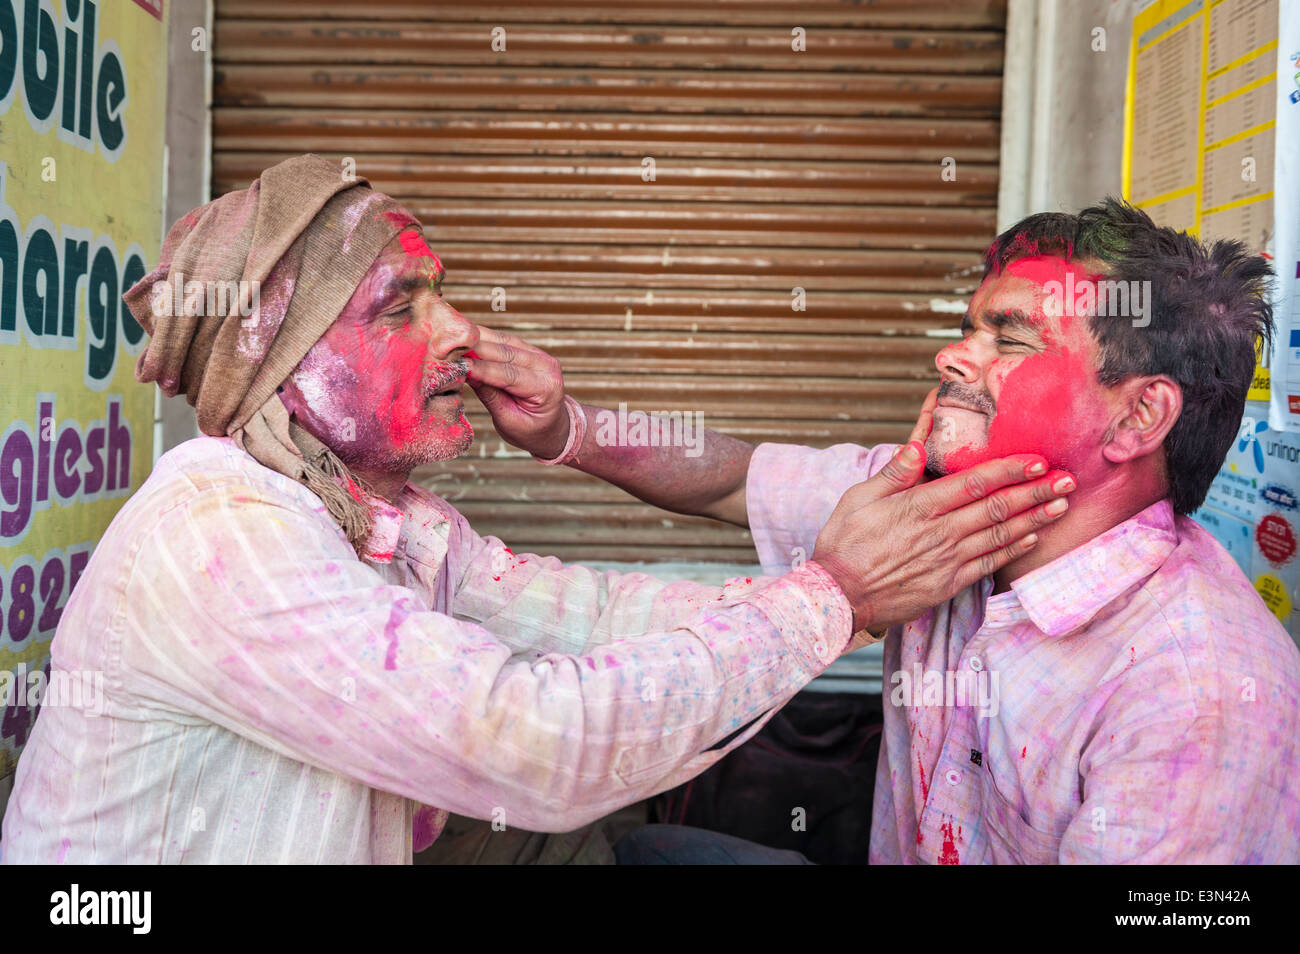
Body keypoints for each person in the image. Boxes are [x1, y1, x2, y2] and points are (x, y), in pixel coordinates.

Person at [0, 155, 1072, 864]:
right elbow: (532, 741)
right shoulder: (220, 535)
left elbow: (587, 614)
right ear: (283, 363)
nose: (459, 331)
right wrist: (833, 600)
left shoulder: (379, 516)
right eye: (402, 306)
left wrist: (837, 593)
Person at [486, 199, 1300, 863]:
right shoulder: (932, 504)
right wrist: (568, 426)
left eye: (1008, 337)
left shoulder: (1197, 692)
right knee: (654, 854)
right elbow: (734, 475)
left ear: (1137, 416)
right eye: (969, 326)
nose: (952, 356)